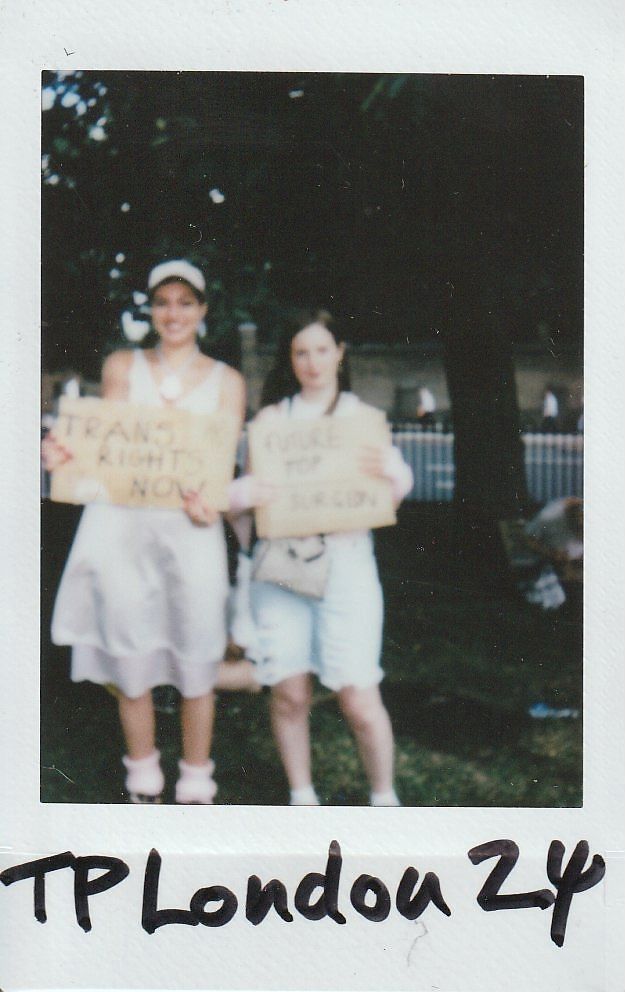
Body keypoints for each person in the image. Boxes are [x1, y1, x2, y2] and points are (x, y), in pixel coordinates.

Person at [43, 259, 248, 804]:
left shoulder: (227, 381)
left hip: (190, 531)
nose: (173, 313)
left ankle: (197, 778)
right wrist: (65, 453)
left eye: (185, 302)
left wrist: (211, 503)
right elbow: (102, 447)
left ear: (203, 310)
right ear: (150, 309)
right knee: (128, 644)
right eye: (163, 302)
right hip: (123, 529)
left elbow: (221, 469)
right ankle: (143, 774)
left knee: (198, 643)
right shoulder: (121, 366)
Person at [230, 309, 413, 806]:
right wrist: (244, 494)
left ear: (340, 354)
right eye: (300, 352)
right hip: (282, 569)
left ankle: (384, 797)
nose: (312, 362)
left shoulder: (363, 422)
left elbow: (387, 496)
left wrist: (393, 474)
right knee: (289, 691)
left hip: (348, 565)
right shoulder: (270, 422)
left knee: (357, 695)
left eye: (321, 350)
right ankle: (302, 795)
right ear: (290, 360)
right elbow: (241, 509)